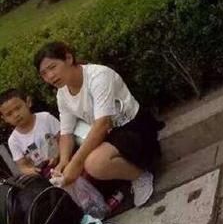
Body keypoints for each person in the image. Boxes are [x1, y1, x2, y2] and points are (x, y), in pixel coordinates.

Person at [34, 42, 161, 207]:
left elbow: (102, 124)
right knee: (79, 152)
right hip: (109, 134)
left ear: (68, 58)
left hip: (133, 127)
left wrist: (75, 165)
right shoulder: (62, 93)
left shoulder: (98, 76)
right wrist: (63, 162)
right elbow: (66, 132)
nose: (50, 76)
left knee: (94, 164)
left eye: (52, 67)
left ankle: (140, 176)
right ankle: (124, 172)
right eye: (44, 74)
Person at [0, 88, 60, 176]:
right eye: (9, 114)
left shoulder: (45, 118)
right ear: (4, 119)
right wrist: (32, 171)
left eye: (18, 108)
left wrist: (56, 154)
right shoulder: (13, 140)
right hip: (45, 175)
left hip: (63, 162)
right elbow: (22, 166)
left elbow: (63, 138)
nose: (16, 115)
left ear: (28, 102)